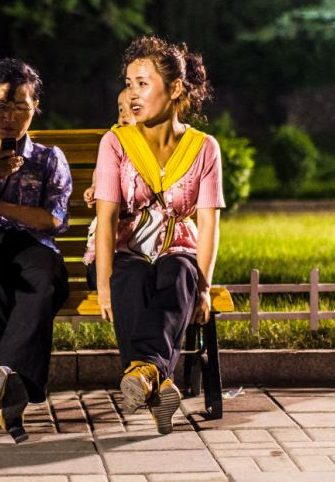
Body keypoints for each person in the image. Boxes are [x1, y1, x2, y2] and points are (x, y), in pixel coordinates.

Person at [93, 36, 224, 435]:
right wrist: (102, 284)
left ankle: (145, 373)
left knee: (181, 274)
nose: (132, 94)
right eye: (129, 83)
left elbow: (208, 223)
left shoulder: (204, 148)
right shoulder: (116, 142)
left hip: (177, 248)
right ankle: (157, 380)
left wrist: (204, 288)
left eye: (143, 83)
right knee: (130, 279)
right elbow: (107, 216)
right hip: (125, 250)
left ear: (175, 89)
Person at [0, 58, 72, 443]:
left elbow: (53, 219)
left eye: (19, 107)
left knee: (40, 282)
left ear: (34, 109)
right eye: (0, 105)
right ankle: (10, 392)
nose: (8, 116)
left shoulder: (48, 157)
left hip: (33, 246)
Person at [82, 88, 136, 290]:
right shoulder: (115, 142)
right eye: (121, 109)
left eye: (132, 109)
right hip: (117, 232)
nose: (124, 115)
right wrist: (96, 187)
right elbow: (102, 172)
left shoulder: (152, 148)